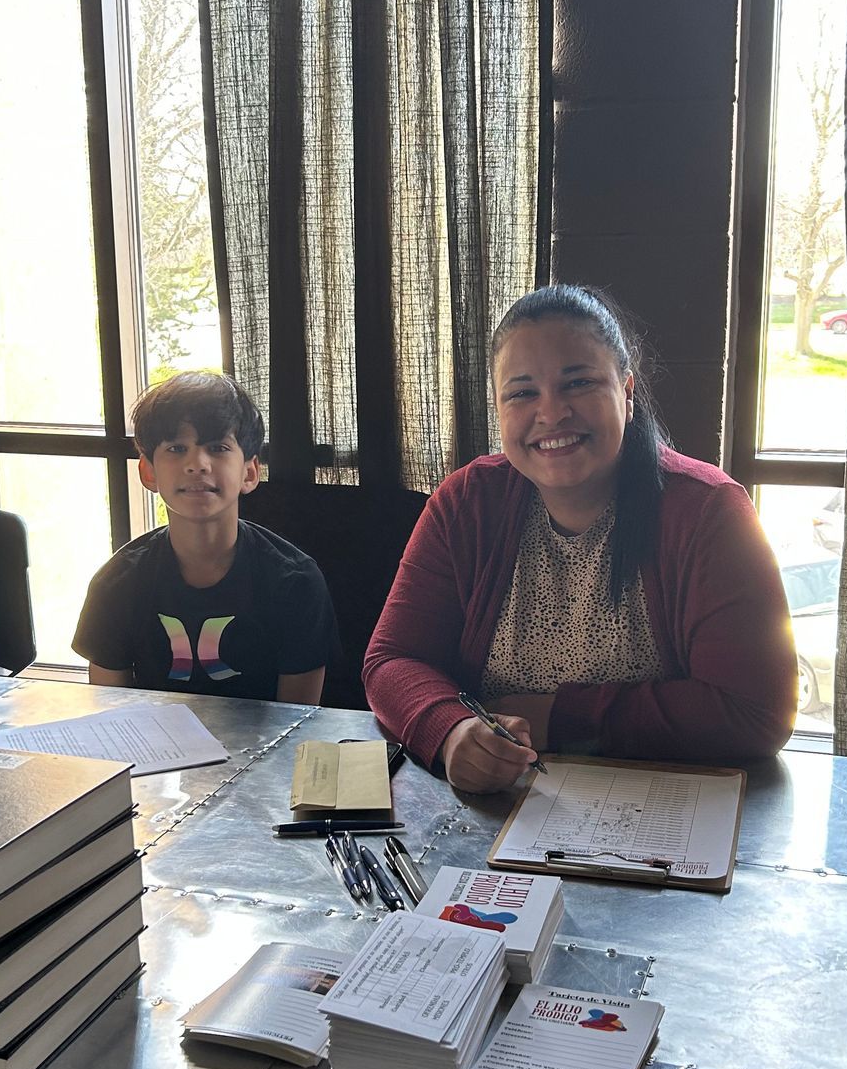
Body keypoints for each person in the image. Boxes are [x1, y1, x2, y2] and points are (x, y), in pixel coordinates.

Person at [363, 285, 796, 791]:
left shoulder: (708, 512)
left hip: (664, 808)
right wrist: (452, 729)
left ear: (627, 394)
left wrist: (558, 718)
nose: (551, 413)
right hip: (499, 801)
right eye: (522, 393)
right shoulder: (466, 503)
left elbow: (755, 711)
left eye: (579, 383)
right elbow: (391, 660)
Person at [73, 372, 337, 704]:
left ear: (249, 472)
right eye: (177, 448)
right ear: (149, 472)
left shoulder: (296, 580)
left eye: (217, 448)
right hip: (153, 738)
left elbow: (299, 721)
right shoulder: (117, 582)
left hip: (270, 739)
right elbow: (111, 712)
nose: (197, 464)